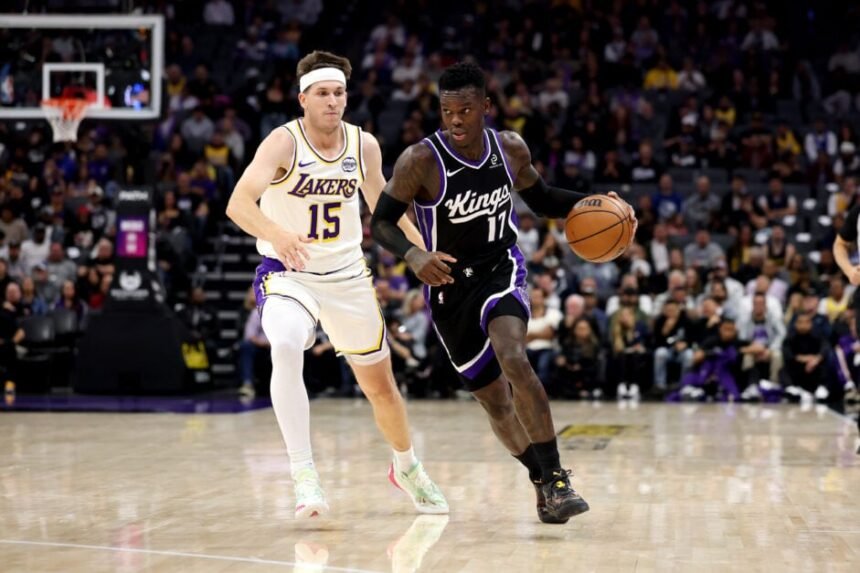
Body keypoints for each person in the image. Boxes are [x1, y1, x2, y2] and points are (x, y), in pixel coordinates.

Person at [371, 62, 636, 523]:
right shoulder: (420, 160)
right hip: (449, 285)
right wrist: (414, 256)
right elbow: (380, 221)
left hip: (500, 268)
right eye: (447, 111)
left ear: (486, 108)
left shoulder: (509, 148)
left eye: (466, 110)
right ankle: (541, 481)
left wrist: (601, 204)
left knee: (514, 357)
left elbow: (545, 198)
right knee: (494, 401)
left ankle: (557, 478)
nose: (455, 120)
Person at [225, 50, 447, 518]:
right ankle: (305, 475)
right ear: (303, 98)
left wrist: (421, 249)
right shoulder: (282, 143)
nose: (332, 101)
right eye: (322, 93)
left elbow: (384, 210)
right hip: (289, 273)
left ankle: (405, 467)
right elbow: (238, 204)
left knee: (382, 388)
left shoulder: (362, 145)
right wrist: (277, 234)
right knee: (284, 345)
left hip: (347, 276)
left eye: (339, 93)